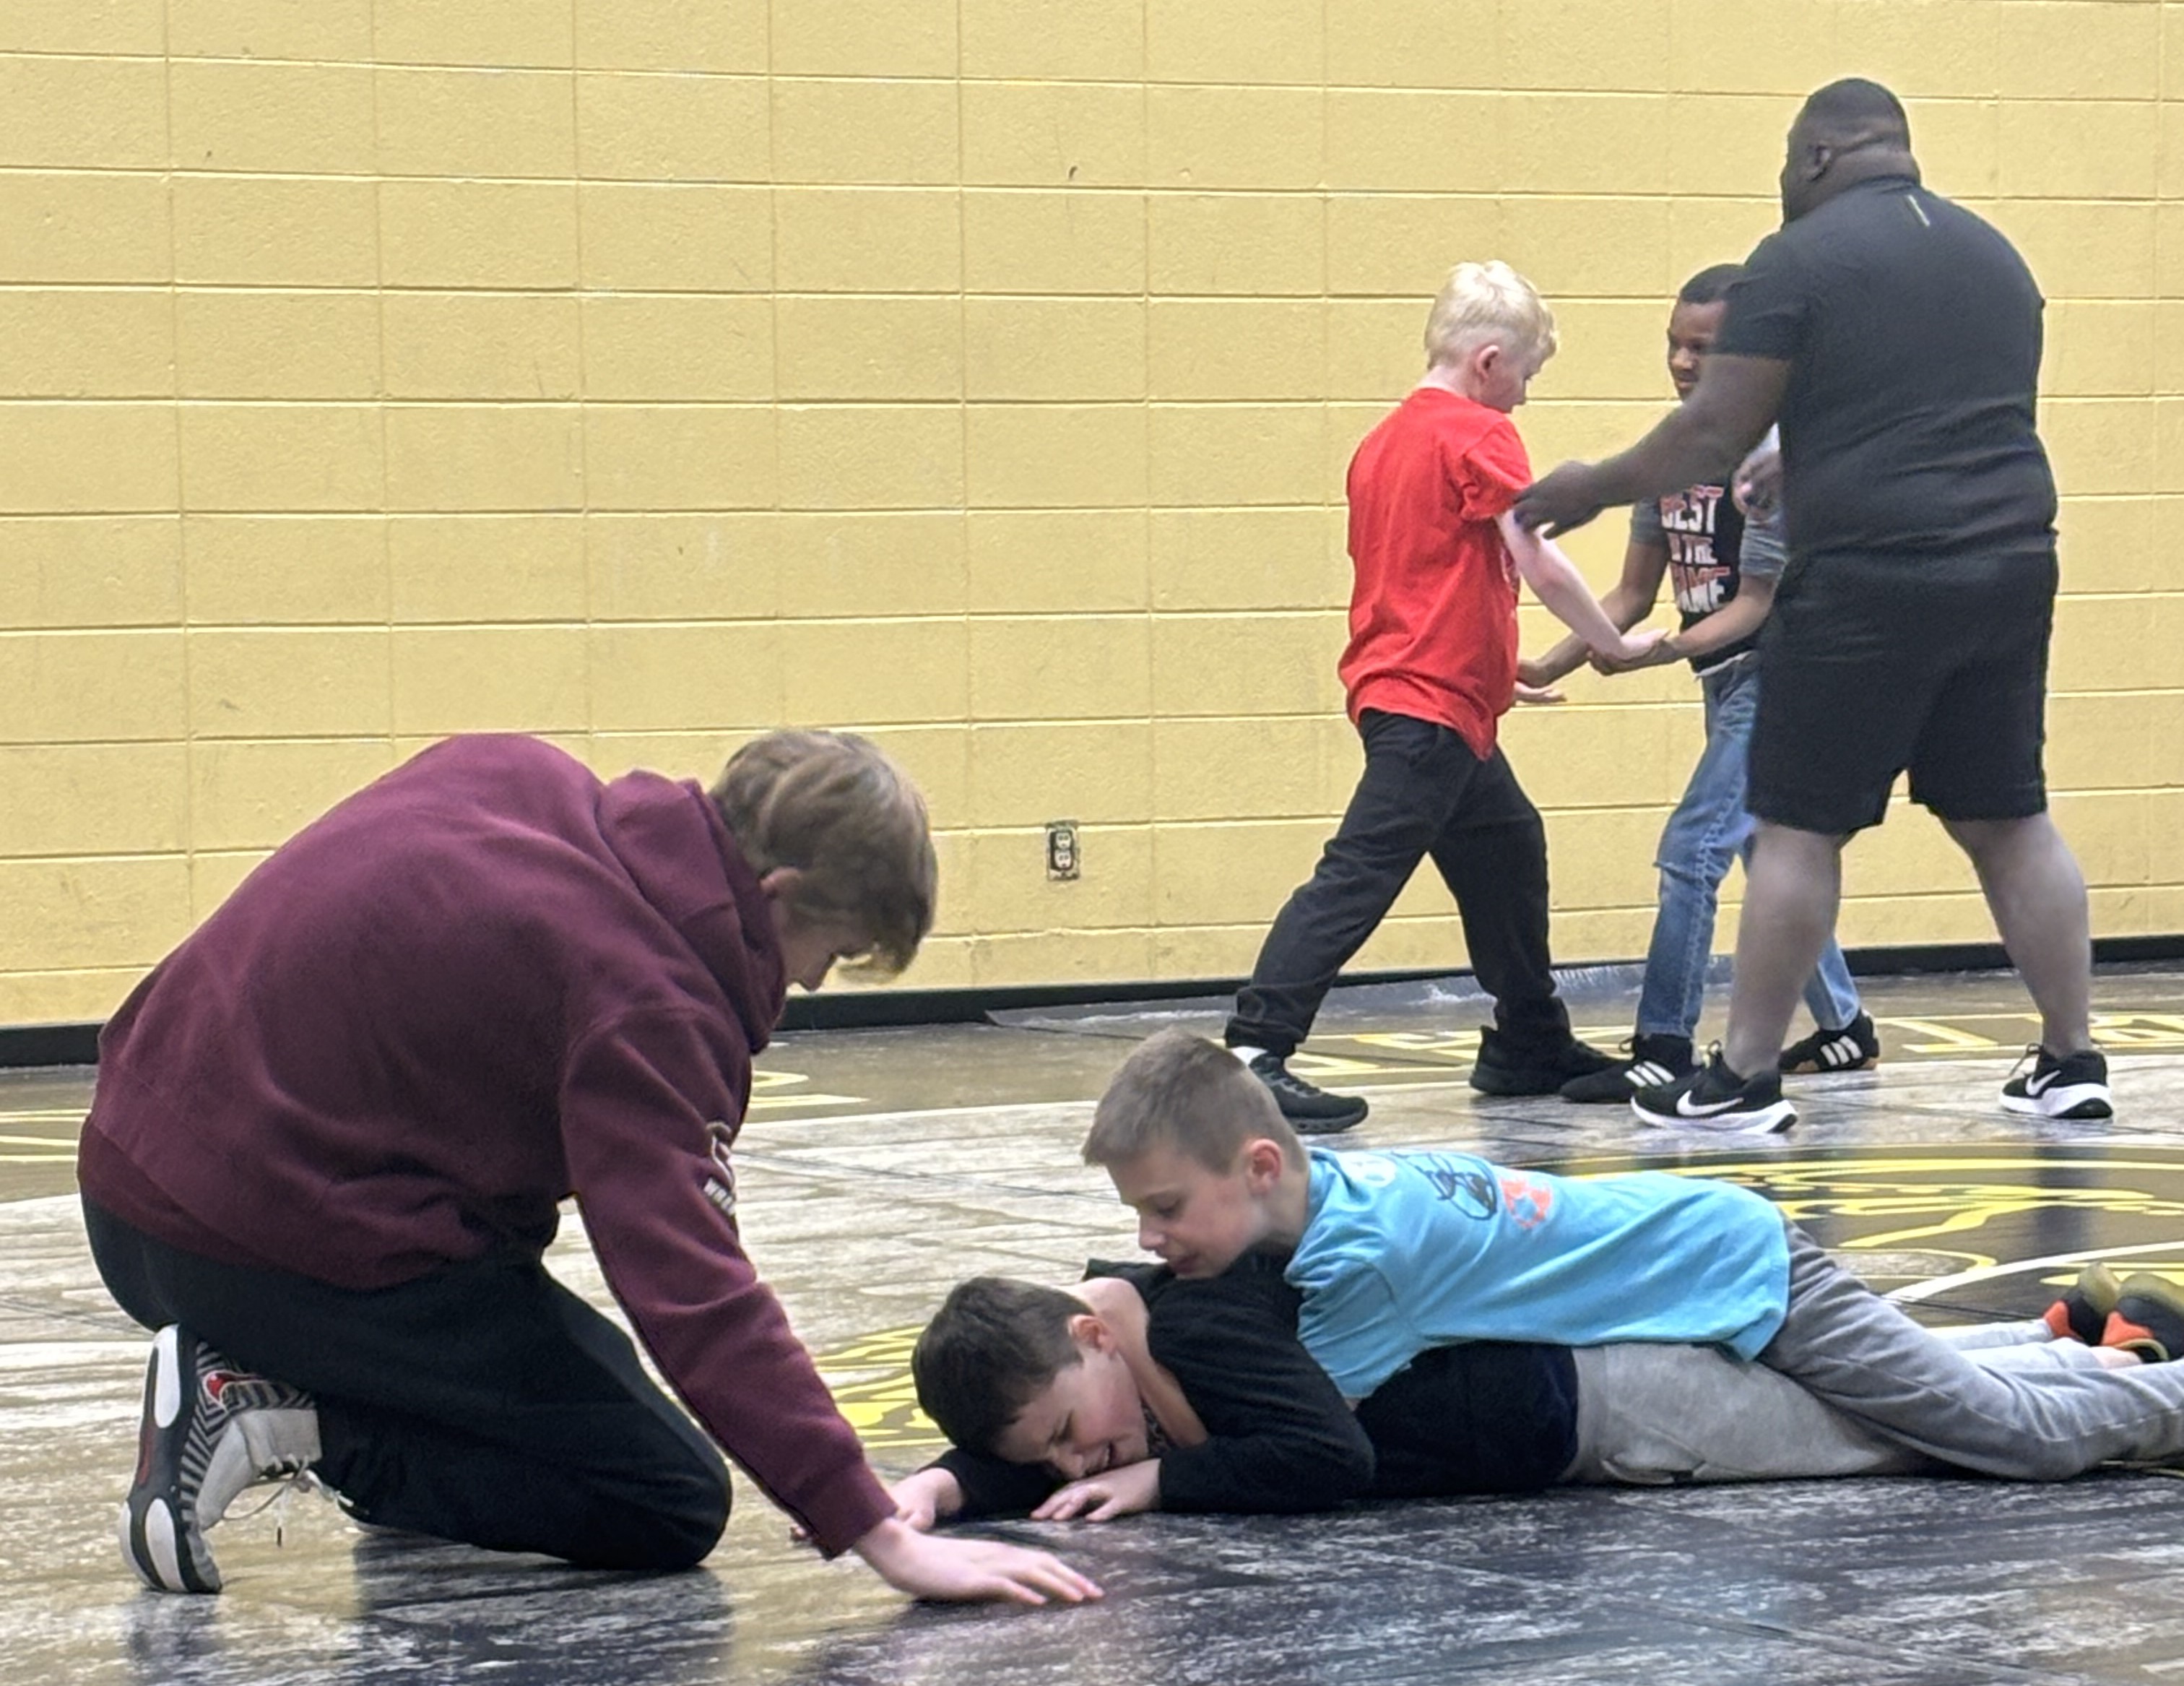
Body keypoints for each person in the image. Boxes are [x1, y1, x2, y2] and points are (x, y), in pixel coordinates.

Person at [79, 730, 1097, 1608]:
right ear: (777, 894)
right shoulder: (652, 999)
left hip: (128, 1178)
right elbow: (693, 1289)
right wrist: (877, 1527)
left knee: (519, 1337)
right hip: (262, 1243)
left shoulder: (510, 769)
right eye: (829, 950)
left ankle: (314, 1397)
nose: (813, 982)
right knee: (663, 1493)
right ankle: (278, 1413)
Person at [1512, 77, 2107, 1132]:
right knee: (2007, 816)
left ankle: (1740, 1079)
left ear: (1821, 157)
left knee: (1793, 824)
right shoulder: (1997, 258)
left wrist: (1587, 485)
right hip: (2014, 559)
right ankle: (2071, 1059)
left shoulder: (1797, 260)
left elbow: (1705, 435)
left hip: (1873, 576)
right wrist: (1810, 462)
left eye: (1791, 162)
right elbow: (1935, 417)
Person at [1081, 1029, 2184, 1484]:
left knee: (2008, 1441)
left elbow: (1302, 1438)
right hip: (1700, 1253)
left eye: (1167, 1207)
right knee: (1925, 1397)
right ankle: (2090, 1340)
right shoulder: (1340, 1191)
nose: (1149, 1238)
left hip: (1740, 1270)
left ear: (1260, 1166)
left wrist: (1137, 1356)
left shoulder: (1360, 1264)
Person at [1224, 260, 1661, 1135]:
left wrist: (1498, 673)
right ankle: (1252, 1052)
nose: (1526, 401)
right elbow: (1533, 555)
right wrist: (1609, 643)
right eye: (1528, 378)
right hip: (1427, 707)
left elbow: (1425, 575)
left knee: (1506, 845)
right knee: (1359, 871)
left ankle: (1527, 1041)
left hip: (1430, 697)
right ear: (1490, 362)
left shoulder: (1383, 442)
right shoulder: (1478, 434)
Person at [891, 1254, 2123, 1529]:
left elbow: (1323, 1458)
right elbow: (1044, 1440)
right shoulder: (1120, 1368)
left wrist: (1170, 1473)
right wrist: (939, 1486)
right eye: (1053, 1461)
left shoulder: (1197, 1328)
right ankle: (2077, 1344)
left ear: (1090, 1331)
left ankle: (2121, 1382)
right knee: (1874, 1409)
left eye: (1070, 1435)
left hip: (1602, 1399)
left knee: (1884, 1437)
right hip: (1582, 1402)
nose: (1081, 1464)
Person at [1524, 265, 1877, 1115]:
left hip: (1777, 678)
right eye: (1674, 344)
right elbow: (1628, 595)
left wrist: (1653, 654)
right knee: (1760, 849)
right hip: (1724, 681)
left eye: (1704, 349)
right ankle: (1845, 1025)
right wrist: (1542, 663)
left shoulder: (1767, 464)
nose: (1683, 363)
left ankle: (1662, 1046)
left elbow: (1754, 608)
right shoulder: (1676, 454)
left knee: (1694, 851)